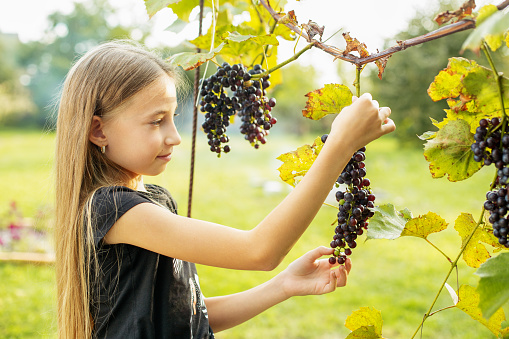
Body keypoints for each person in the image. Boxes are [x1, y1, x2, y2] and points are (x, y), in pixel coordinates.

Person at [53, 40, 395, 339]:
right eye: (157, 121)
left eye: (172, 117)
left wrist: (283, 286)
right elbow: (259, 251)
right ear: (98, 131)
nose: (174, 136)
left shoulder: (151, 200)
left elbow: (184, 318)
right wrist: (339, 145)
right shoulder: (113, 210)